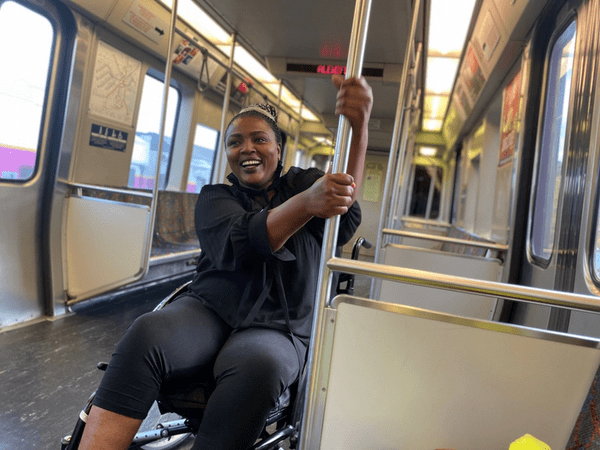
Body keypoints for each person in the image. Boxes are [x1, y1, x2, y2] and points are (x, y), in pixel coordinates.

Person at [79, 74, 373, 450]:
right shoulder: (215, 198)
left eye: (259, 139)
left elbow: (342, 202)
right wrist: (305, 206)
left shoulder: (305, 182)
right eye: (235, 142)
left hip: (278, 323)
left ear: (279, 150)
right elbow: (247, 243)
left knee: (258, 366)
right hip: (212, 309)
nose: (246, 148)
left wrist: (360, 127)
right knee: (146, 332)